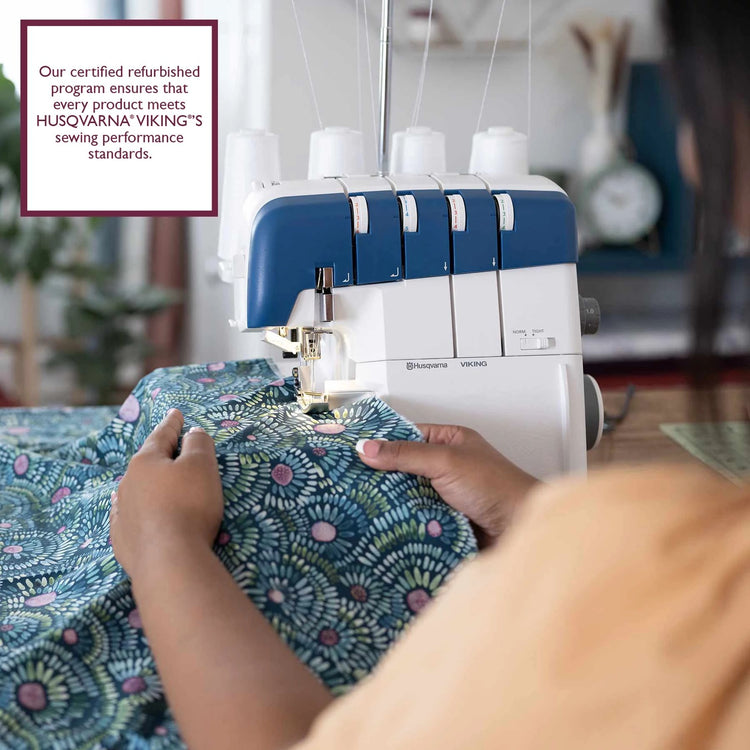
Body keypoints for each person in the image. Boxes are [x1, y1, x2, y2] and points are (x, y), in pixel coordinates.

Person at [109, 0, 749, 747]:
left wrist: (164, 544)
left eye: (690, 100)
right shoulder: (674, 557)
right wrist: (538, 515)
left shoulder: (689, 565)